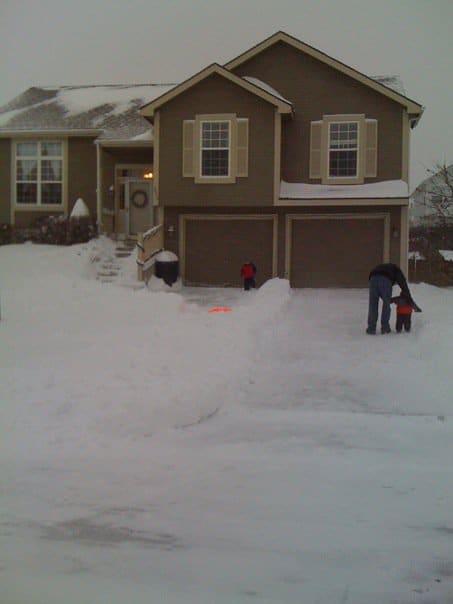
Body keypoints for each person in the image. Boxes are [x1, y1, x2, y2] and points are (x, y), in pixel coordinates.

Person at [366, 263, 421, 335]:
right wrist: (409, 300)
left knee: (373, 305)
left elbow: (372, 274)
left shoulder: (383, 267)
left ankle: (371, 329)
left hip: (372, 279)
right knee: (386, 304)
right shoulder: (397, 271)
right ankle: (385, 328)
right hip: (385, 280)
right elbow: (404, 287)